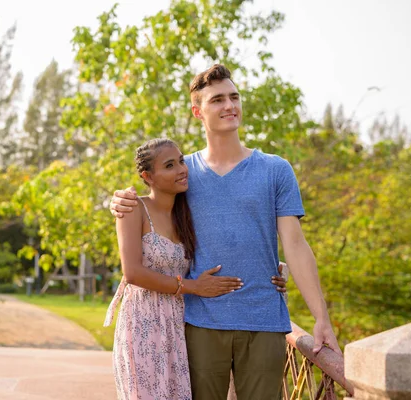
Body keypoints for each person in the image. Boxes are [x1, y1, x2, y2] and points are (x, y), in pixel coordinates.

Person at [110, 64, 340, 400]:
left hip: (265, 320)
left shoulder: (276, 169)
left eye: (234, 97)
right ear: (197, 112)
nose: (229, 105)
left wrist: (322, 318)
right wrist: (116, 200)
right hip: (201, 322)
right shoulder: (182, 174)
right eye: (217, 99)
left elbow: (295, 244)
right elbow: (148, 204)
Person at [104, 138, 288, 400]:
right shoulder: (134, 208)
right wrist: (193, 287)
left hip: (180, 323)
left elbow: (233, 233)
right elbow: (132, 272)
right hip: (144, 323)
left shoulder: (186, 211)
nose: (181, 169)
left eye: (181, 160)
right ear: (148, 176)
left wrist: (272, 268)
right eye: (169, 165)